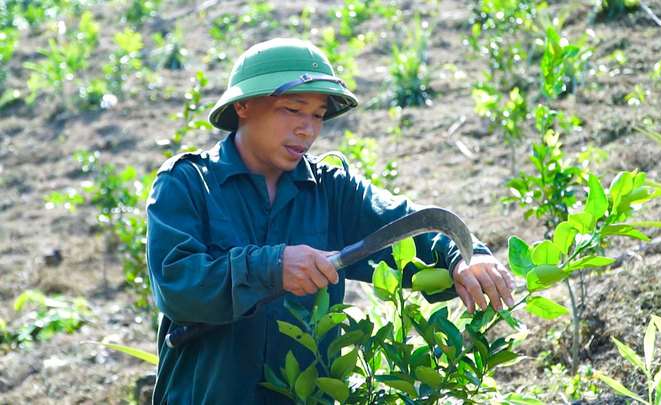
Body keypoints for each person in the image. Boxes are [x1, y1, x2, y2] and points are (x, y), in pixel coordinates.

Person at [146, 38, 515, 405]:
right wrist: (271, 265)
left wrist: (466, 257)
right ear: (243, 105)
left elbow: (411, 227)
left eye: (319, 115)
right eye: (292, 109)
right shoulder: (188, 183)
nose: (308, 129)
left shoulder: (330, 190)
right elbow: (177, 284)